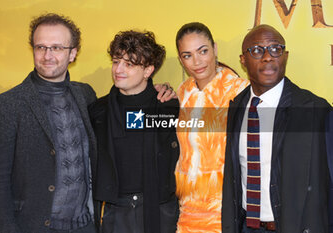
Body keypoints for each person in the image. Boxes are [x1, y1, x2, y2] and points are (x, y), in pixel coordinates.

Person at [0, 13, 98, 233]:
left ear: (73, 53)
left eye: (56, 48)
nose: (47, 55)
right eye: (40, 47)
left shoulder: (85, 95)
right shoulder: (7, 105)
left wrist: (161, 92)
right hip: (34, 227)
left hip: (87, 226)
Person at [222, 24, 331, 233]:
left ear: (285, 56)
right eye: (256, 50)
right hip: (246, 227)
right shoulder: (236, 107)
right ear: (242, 60)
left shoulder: (316, 111)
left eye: (275, 49)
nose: (267, 57)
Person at [88, 30, 180, 233]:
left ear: (148, 70)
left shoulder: (168, 107)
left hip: (160, 209)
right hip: (116, 211)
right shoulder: (98, 111)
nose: (118, 69)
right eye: (115, 61)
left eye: (128, 64)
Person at [174, 22, 249, 233]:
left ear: (215, 49)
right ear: (181, 60)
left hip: (227, 209)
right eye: (187, 55)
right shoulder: (182, 93)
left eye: (203, 51)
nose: (197, 62)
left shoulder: (240, 91)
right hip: (187, 209)